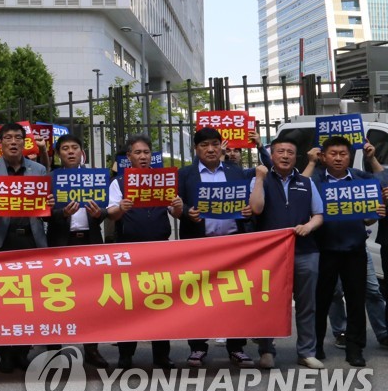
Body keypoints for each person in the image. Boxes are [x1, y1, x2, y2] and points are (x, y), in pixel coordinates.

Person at [177, 127, 258, 368]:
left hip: (232, 245)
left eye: (214, 144)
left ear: (221, 145)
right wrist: (186, 213)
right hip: (199, 245)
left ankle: (236, 346)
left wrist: (246, 212)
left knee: (234, 297)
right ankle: (197, 347)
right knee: (198, 297)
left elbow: (247, 207)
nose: (210, 149)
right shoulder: (185, 174)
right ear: (196, 149)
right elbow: (176, 206)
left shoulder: (236, 172)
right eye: (204, 145)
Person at [304, 136, 385, 367]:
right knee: (321, 300)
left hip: (354, 249)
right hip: (323, 250)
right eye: (333, 153)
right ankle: (315, 346)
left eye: (343, 154)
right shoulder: (317, 179)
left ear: (350, 156)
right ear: (323, 156)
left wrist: (372, 159)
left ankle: (355, 349)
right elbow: (297, 187)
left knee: (357, 300)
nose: (338, 158)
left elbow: (383, 182)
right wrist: (310, 163)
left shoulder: (361, 179)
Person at [107, 134, 183, 370]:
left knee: (161, 303)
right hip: (129, 251)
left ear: (152, 156)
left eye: (146, 152)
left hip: (159, 249)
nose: (143, 156)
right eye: (137, 153)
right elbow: (111, 214)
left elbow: (176, 213)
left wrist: (179, 207)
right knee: (128, 304)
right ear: (128, 157)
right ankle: (125, 354)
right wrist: (121, 208)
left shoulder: (164, 180)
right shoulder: (119, 182)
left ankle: (161, 355)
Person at [0, 122, 49, 374]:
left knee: (28, 299)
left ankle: (23, 350)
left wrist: (47, 202)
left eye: (17, 137)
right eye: (7, 138)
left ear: (24, 141)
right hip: (1, 239)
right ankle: (4, 352)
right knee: (2, 299)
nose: (13, 142)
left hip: (30, 239)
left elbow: (45, 206)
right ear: (0, 143)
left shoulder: (38, 169)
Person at [252, 136, 324, 369]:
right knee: (267, 303)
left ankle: (306, 351)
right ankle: (266, 350)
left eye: (290, 152)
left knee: (306, 304)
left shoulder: (306, 182)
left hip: (305, 252)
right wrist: (260, 180)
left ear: (296, 157)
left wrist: (309, 226)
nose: (285, 156)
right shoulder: (260, 178)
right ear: (271, 155)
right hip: (270, 256)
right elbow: (256, 208)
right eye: (280, 151)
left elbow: (318, 215)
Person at [45, 134, 108, 369]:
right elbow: (42, 211)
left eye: (75, 147)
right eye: (65, 149)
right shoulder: (50, 179)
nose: (70, 152)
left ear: (82, 152)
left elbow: (106, 209)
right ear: (59, 153)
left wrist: (98, 214)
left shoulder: (95, 177)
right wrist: (61, 213)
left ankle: (91, 349)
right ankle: (54, 351)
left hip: (89, 241)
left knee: (91, 298)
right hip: (61, 242)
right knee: (56, 298)